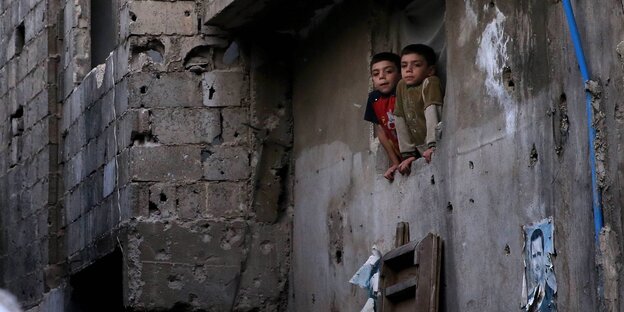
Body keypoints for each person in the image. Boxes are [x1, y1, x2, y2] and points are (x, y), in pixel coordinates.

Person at [393, 44, 443, 174]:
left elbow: (433, 110)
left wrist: (434, 145)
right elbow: (399, 118)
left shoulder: (430, 82)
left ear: (430, 70)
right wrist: (408, 155)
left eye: (416, 65)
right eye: (404, 66)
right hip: (420, 150)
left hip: (437, 143)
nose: (408, 70)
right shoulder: (401, 86)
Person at [363, 52, 402, 181]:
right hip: (400, 154)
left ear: (400, 73)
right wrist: (395, 162)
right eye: (376, 74)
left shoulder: (403, 92)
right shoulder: (373, 99)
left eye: (388, 71)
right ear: (372, 79)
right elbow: (381, 132)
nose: (382, 77)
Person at [527, 228, 556, 312]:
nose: (536, 260)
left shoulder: (551, 287)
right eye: (534, 255)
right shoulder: (529, 294)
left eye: (539, 254)